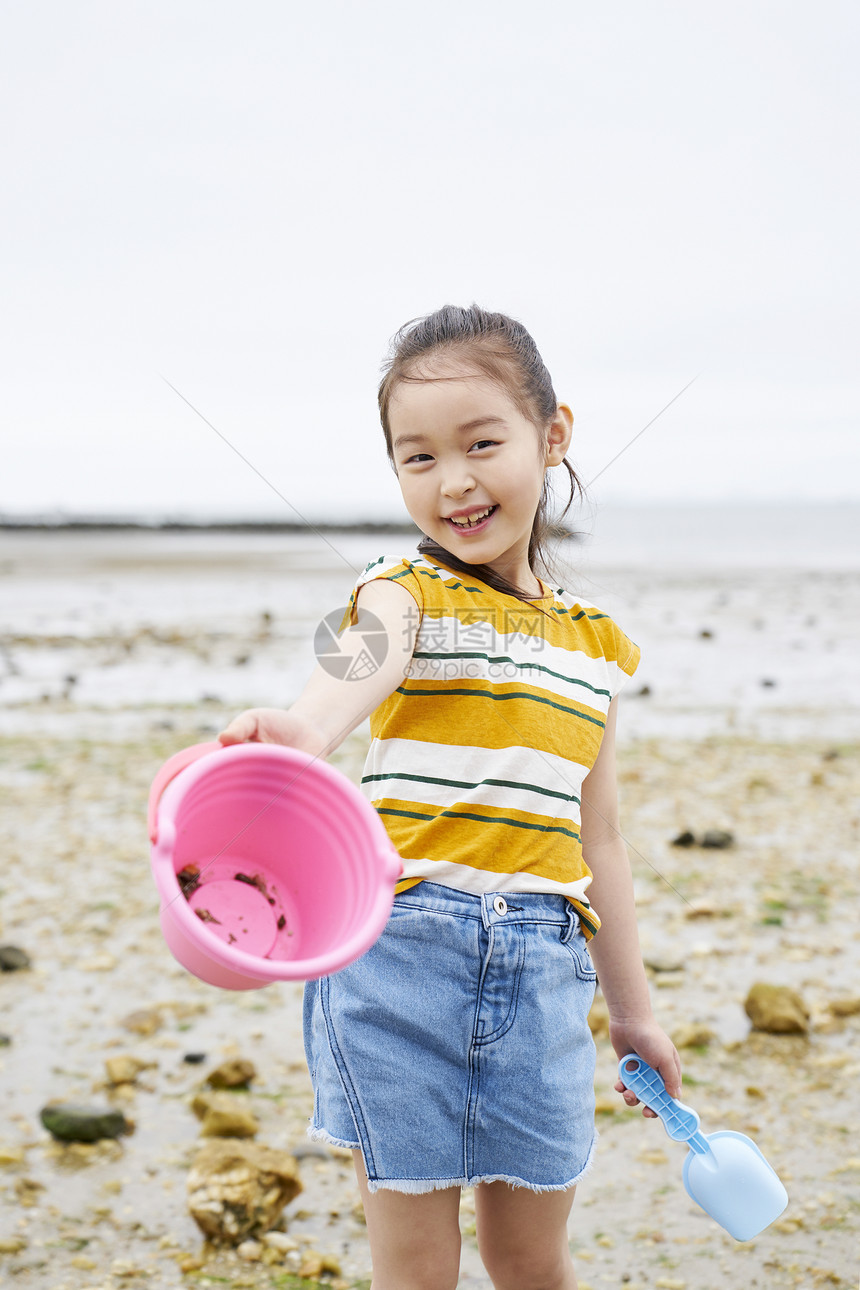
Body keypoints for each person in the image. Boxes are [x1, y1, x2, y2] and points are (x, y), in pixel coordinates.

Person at [219, 305, 681, 1290]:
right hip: (394, 963)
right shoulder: (403, 593)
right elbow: (354, 667)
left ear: (550, 435)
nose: (453, 481)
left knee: (530, 1262)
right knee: (415, 1270)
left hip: (544, 974)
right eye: (416, 457)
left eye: (481, 443)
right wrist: (305, 729)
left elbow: (597, 843)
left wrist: (634, 1011)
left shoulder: (590, 646)